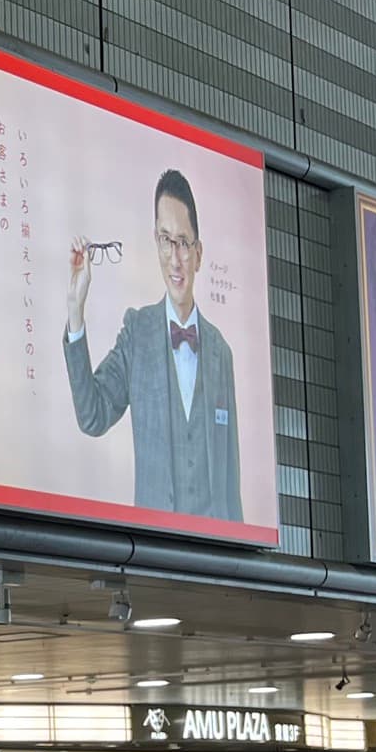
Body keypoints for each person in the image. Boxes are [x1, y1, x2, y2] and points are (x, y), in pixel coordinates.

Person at [66, 170, 244, 523]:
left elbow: (231, 480)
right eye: (166, 239)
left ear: (198, 253)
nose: (175, 258)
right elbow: (92, 416)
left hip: (213, 546)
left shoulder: (221, 352)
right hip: (154, 545)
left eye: (183, 242)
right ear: (155, 241)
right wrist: (75, 310)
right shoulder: (138, 332)